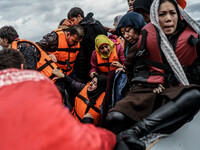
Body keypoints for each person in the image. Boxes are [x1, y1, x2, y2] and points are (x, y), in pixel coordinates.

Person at [106, 0, 200, 149]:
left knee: (195, 94)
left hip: (173, 90)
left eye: (172, 13)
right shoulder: (143, 41)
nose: (168, 18)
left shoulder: (193, 41)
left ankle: (135, 131)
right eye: (162, 14)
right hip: (146, 89)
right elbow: (132, 73)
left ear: (179, 15)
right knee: (114, 117)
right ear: (155, 17)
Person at [0, 48, 129, 150]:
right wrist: (112, 139)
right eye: (92, 83)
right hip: (84, 135)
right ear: (22, 68)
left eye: (95, 84)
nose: (91, 86)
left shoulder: (104, 100)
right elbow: (71, 140)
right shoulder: (40, 84)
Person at [67, 7, 107, 83]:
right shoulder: (98, 23)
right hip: (103, 65)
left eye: (73, 20)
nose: (72, 24)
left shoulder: (82, 30)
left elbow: (82, 54)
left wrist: (80, 74)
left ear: (79, 16)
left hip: (88, 70)